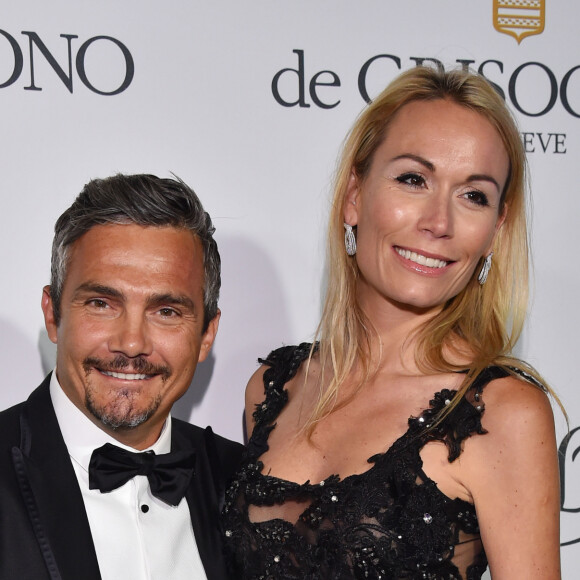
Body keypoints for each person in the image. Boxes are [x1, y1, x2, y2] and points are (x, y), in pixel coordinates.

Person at [222, 67, 562, 579]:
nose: (439, 223)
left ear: (496, 230)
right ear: (354, 196)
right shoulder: (273, 388)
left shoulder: (501, 412)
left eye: (474, 196)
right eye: (412, 179)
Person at [0, 174, 244, 580]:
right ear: (53, 314)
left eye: (166, 311)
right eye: (101, 303)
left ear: (206, 335)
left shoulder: (245, 482)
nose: (131, 344)